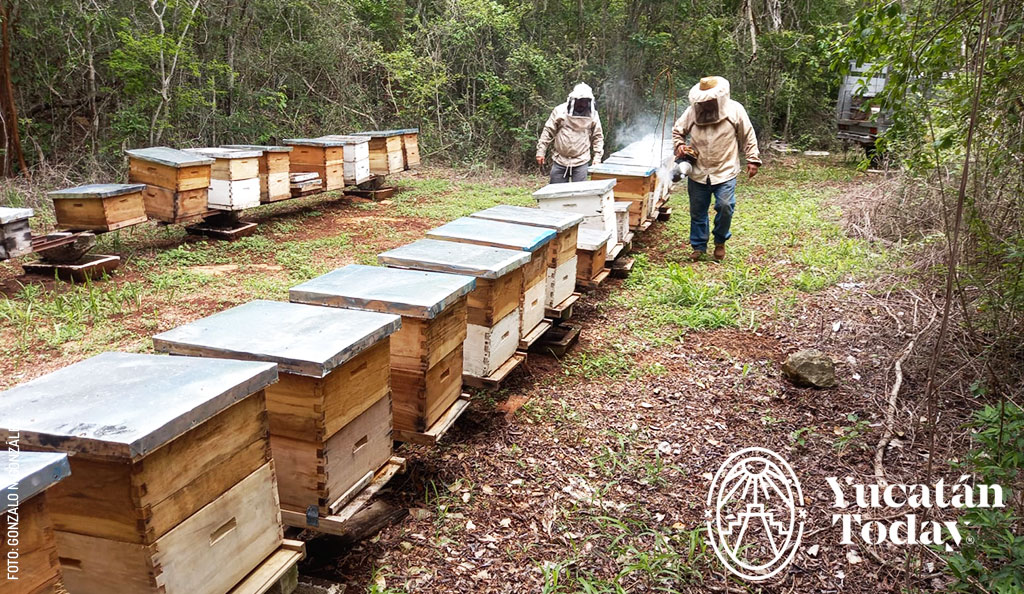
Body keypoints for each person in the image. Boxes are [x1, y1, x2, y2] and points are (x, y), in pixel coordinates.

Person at [672, 76, 761, 261]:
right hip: (698, 171)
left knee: (725, 206)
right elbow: (677, 131)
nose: (707, 104)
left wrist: (753, 159)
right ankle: (699, 246)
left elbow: (748, 135)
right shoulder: (691, 112)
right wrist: (679, 144)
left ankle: (720, 241)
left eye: (710, 100)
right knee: (698, 211)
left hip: (725, 169)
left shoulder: (735, 109)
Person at [536, 83, 604, 184]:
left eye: (585, 101)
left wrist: (597, 158)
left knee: (579, 192)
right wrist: (540, 152)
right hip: (560, 160)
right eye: (580, 100)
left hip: (581, 160)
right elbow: (548, 131)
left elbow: (597, 137)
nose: (582, 104)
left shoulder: (593, 114)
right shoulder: (560, 111)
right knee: (555, 191)